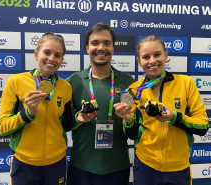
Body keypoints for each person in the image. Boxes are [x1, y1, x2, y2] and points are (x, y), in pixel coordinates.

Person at [114, 35, 210, 185]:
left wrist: (174, 117)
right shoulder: (132, 91)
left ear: (166, 56)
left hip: (178, 169)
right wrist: (128, 120)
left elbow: (203, 126)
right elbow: (131, 135)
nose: (152, 61)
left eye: (157, 54)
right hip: (145, 166)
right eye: (146, 57)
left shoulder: (186, 84)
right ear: (139, 61)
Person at [0, 32, 78, 185]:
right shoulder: (15, 82)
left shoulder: (65, 87)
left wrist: (79, 119)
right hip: (24, 164)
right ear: (36, 54)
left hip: (57, 163)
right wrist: (27, 113)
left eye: (57, 55)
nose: (52, 59)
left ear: (62, 60)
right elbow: (2, 128)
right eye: (47, 52)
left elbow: (66, 124)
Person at [67, 22, 135, 185]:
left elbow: (133, 132)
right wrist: (78, 118)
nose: (101, 48)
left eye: (107, 43)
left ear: (113, 47)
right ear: (87, 47)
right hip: (81, 166)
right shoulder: (74, 81)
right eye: (95, 43)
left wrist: (129, 120)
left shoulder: (128, 81)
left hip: (117, 167)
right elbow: (65, 124)